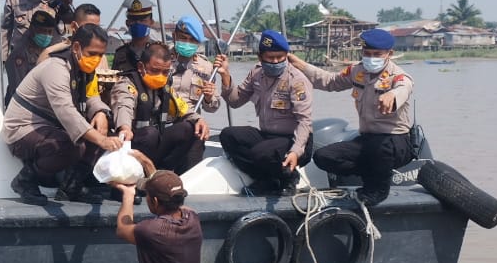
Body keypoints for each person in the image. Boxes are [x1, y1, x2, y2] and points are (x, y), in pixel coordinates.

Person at [286, 28, 414, 206]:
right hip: (368, 139)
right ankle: (371, 173)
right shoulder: (357, 71)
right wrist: (301, 65)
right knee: (324, 157)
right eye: (367, 53)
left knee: (381, 148)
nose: (371, 58)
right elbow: (330, 81)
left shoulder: (398, 76)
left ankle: (379, 189)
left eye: (377, 54)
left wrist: (392, 96)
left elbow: (404, 88)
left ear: (389, 54)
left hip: (395, 142)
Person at [3, 23, 123, 203]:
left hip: (52, 127)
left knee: (102, 131)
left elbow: (93, 97)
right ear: (76, 48)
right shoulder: (56, 68)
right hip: (23, 128)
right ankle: (25, 180)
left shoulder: (85, 71)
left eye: (100, 55)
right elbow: (65, 110)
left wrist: (101, 113)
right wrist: (101, 140)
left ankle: (71, 186)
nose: (97, 59)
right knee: (72, 144)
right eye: (92, 54)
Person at [213, 29, 313, 194]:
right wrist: (225, 76)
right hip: (268, 136)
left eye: (280, 58)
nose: (275, 62)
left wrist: (295, 151)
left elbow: (304, 122)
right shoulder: (257, 74)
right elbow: (235, 101)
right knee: (228, 135)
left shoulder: (297, 80)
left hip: (294, 139)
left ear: (286, 55)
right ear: (261, 57)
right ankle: (267, 179)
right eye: (270, 58)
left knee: (261, 153)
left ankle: (289, 178)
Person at [110, 42, 203, 174]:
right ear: (141, 67)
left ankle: (163, 174)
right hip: (130, 145)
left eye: (165, 72)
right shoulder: (126, 85)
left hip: (153, 147)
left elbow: (182, 107)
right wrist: (125, 127)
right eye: (154, 71)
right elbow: (123, 106)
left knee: (189, 128)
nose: (160, 76)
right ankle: (137, 178)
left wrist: (198, 119)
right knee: (150, 134)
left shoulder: (165, 88)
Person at [169, 15, 220, 172]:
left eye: (192, 41)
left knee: (198, 132)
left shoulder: (206, 68)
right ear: (174, 36)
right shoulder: (160, 58)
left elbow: (213, 107)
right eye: (183, 38)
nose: (187, 43)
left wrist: (209, 98)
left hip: (191, 124)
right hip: (164, 122)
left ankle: (190, 175)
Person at [0, 0, 74, 61]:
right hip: (22, 59)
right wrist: (3, 59)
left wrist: (66, 7)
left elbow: (69, 22)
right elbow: (5, 30)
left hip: (50, 57)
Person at [4, 8, 60, 105]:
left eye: (49, 32)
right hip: (22, 106)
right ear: (33, 30)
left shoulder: (54, 48)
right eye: (42, 31)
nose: (46, 35)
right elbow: (18, 90)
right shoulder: (19, 54)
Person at [111, 0, 158, 75]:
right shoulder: (121, 54)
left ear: (151, 22)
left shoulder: (158, 51)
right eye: (134, 20)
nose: (138, 24)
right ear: (127, 23)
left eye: (142, 20)